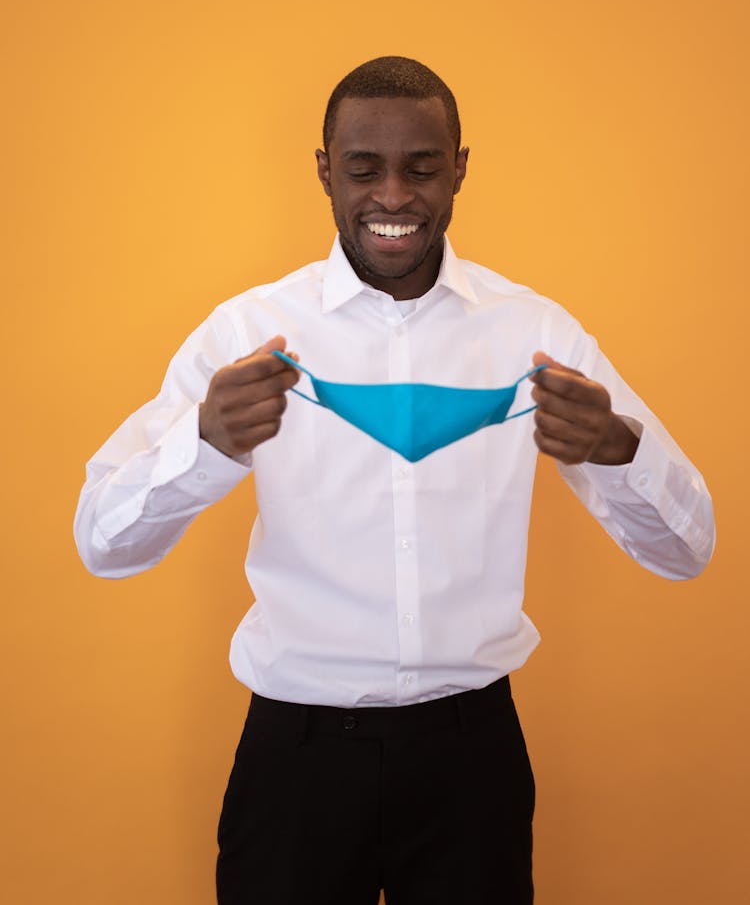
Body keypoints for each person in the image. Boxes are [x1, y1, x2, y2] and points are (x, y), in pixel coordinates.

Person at [74, 56, 715, 905]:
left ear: (459, 168)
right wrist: (204, 442)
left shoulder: (533, 332)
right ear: (323, 171)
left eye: (421, 166)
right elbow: (102, 543)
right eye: (363, 167)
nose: (395, 197)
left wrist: (617, 445)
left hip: (471, 760)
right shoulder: (250, 330)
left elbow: (688, 550)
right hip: (294, 764)